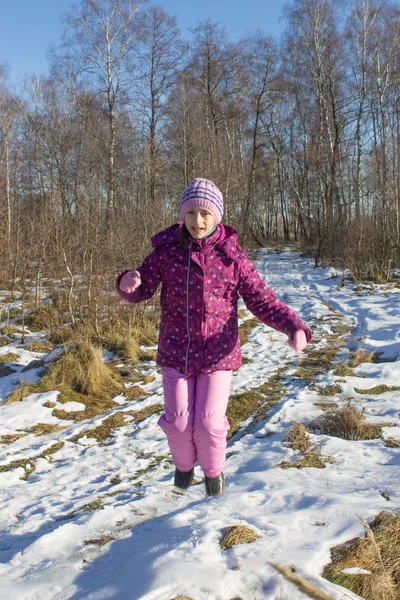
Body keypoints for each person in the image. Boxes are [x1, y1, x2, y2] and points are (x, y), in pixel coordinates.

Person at [116, 178, 311, 497]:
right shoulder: (167, 252)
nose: (198, 221)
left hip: (218, 354)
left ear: (217, 215)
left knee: (207, 423)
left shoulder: (232, 257)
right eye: (191, 213)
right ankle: (183, 466)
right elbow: (143, 289)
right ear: (183, 214)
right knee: (178, 423)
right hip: (176, 352)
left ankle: (213, 471)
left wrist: (293, 326)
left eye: (205, 213)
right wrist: (128, 284)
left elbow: (262, 300)